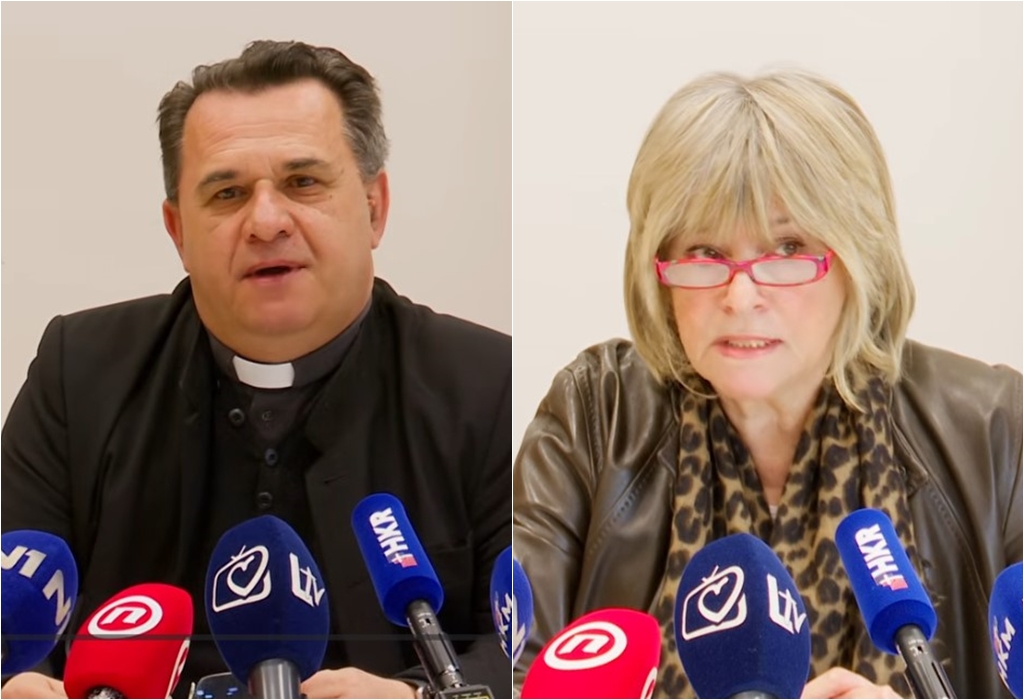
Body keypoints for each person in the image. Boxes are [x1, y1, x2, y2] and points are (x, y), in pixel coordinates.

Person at [1, 40, 511, 699]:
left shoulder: (489, 385)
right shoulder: (80, 372)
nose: (266, 222)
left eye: (303, 183)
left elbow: (528, 647)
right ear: (177, 231)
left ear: (374, 207)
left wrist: (418, 696)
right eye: (228, 193)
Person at [512, 70, 1021, 699]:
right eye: (705, 253)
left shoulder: (994, 429)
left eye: (786, 248)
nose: (740, 295)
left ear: (859, 261)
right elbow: (512, 672)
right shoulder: (596, 415)